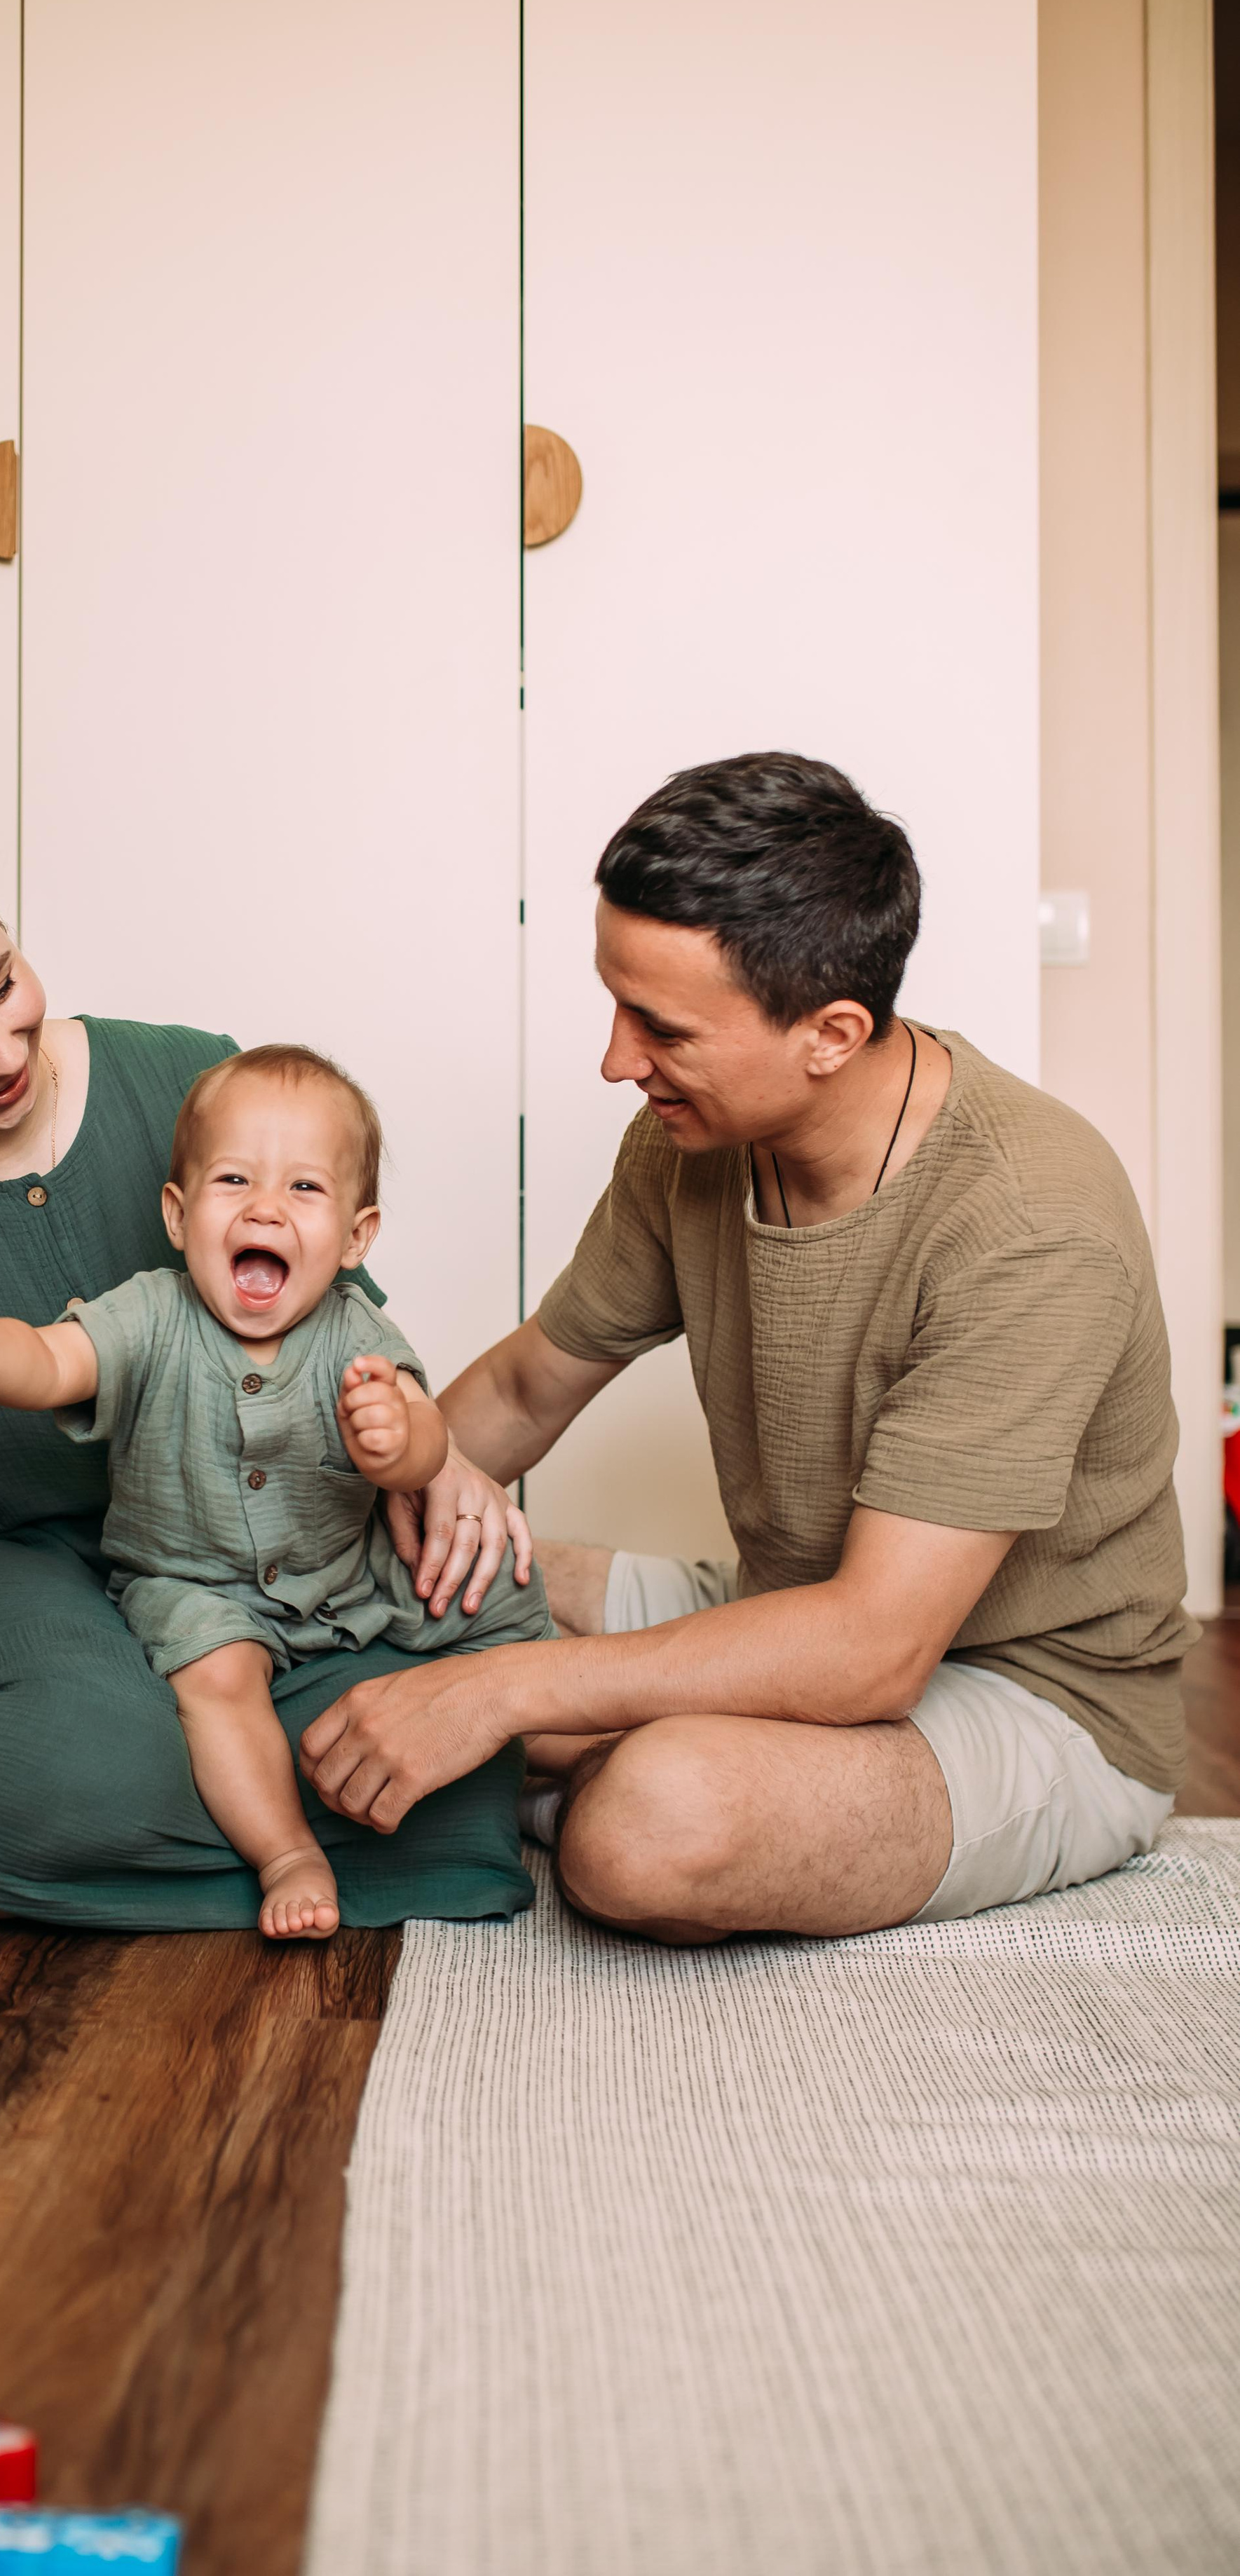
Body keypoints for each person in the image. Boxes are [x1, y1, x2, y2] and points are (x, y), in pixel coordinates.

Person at [299, 754, 1194, 1942]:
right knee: (410, 1563)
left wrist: (497, 1689)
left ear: (831, 1033)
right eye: (614, 1004)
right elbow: (522, 1387)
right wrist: (313, 1538)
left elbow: (875, 1649)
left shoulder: (1031, 1223)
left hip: (1033, 1696)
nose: (617, 1060)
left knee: (652, 1823)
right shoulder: (685, 1143)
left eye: (659, 1026)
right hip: (792, 1608)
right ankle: (565, 1753)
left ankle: (576, 1772)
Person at [0, 817, 536, 1926]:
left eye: (1, 983)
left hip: (215, 1555)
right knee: (114, 1756)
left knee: (419, 1720)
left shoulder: (186, 1074)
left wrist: (442, 1458)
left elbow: (335, 1324)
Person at [0, 1044, 551, 1937]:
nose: (265, 1205)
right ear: (179, 1216)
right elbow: (45, 1362)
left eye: (304, 1189)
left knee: (499, 1587)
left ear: (355, 1236)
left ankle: (568, 1738)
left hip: (347, 1571)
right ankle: (286, 1851)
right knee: (219, 1679)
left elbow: (425, 1453)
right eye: (234, 1179)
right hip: (196, 1583)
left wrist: (400, 1442)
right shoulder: (148, 1313)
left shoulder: (354, 1329)